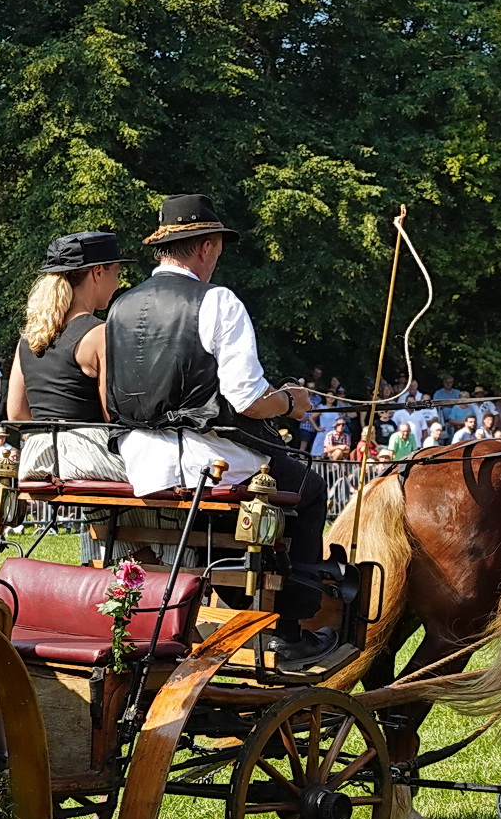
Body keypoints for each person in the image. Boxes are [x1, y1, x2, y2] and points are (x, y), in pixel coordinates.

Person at [105, 194, 336, 668]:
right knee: (309, 489)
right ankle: (290, 630)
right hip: (204, 458)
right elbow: (249, 399)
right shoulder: (218, 301)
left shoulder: (120, 306)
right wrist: (291, 402)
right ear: (207, 246)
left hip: (139, 459)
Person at [7, 231, 133, 483]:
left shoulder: (29, 338)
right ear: (98, 272)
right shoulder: (100, 333)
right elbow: (112, 416)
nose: (118, 284)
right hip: (87, 455)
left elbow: (16, 414)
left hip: (36, 457)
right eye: (116, 273)